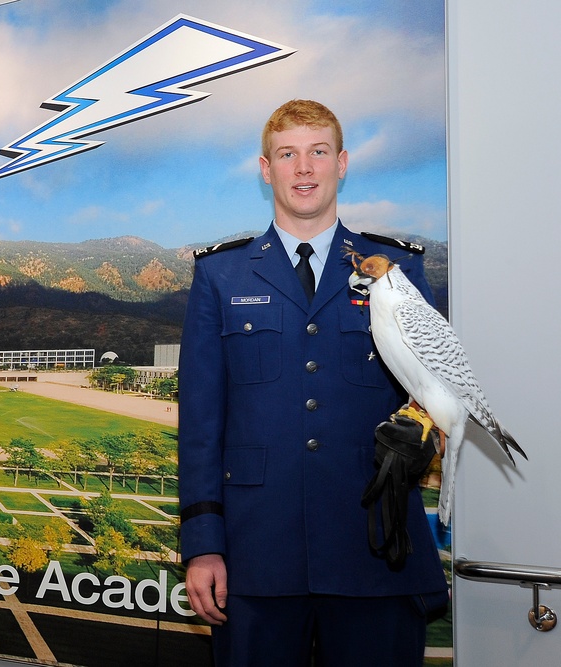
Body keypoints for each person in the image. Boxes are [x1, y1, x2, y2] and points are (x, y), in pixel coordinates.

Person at [178, 99, 448, 666]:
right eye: (288, 154)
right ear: (266, 167)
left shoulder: (395, 268)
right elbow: (201, 423)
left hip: (374, 546)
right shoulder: (219, 274)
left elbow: (433, 391)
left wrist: (428, 434)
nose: (304, 168)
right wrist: (203, 544)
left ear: (342, 163)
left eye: (318, 151)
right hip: (255, 557)